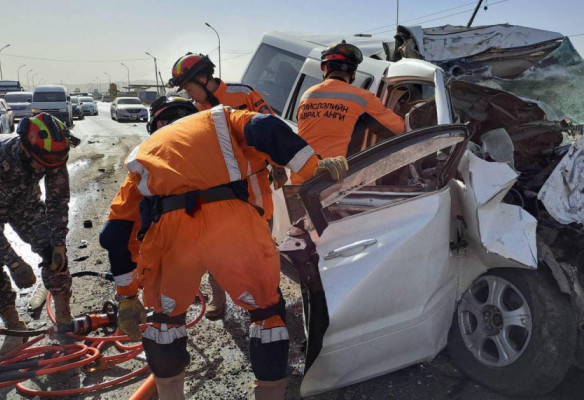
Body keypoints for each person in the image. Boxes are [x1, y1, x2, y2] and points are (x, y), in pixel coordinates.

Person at [99, 98, 347, 400]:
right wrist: (313, 168)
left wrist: (126, 298)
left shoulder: (142, 154)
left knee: (163, 322)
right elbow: (266, 127)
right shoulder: (220, 119)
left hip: (170, 230)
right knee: (267, 314)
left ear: (156, 126)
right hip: (231, 222)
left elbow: (114, 233)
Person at [168, 52, 276, 320]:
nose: (190, 95)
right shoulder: (194, 112)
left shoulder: (244, 94)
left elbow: (270, 128)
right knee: (213, 244)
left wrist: (280, 166)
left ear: (204, 78)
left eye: (190, 88)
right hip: (218, 189)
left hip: (254, 183)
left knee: (260, 244)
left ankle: (267, 301)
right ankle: (219, 299)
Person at [0, 113, 77, 344]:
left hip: (23, 202)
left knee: (51, 250)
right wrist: (15, 263)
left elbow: (57, 201)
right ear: (25, 149)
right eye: (41, 163)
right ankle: (13, 324)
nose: (46, 168)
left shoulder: (54, 154)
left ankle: (63, 314)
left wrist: (58, 244)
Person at [294, 41, 405, 183]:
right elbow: (398, 129)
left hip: (301, 179)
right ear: (353, 74)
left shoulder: (307, 95)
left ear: (324, 67)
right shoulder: (362, 99)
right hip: (333, 182)